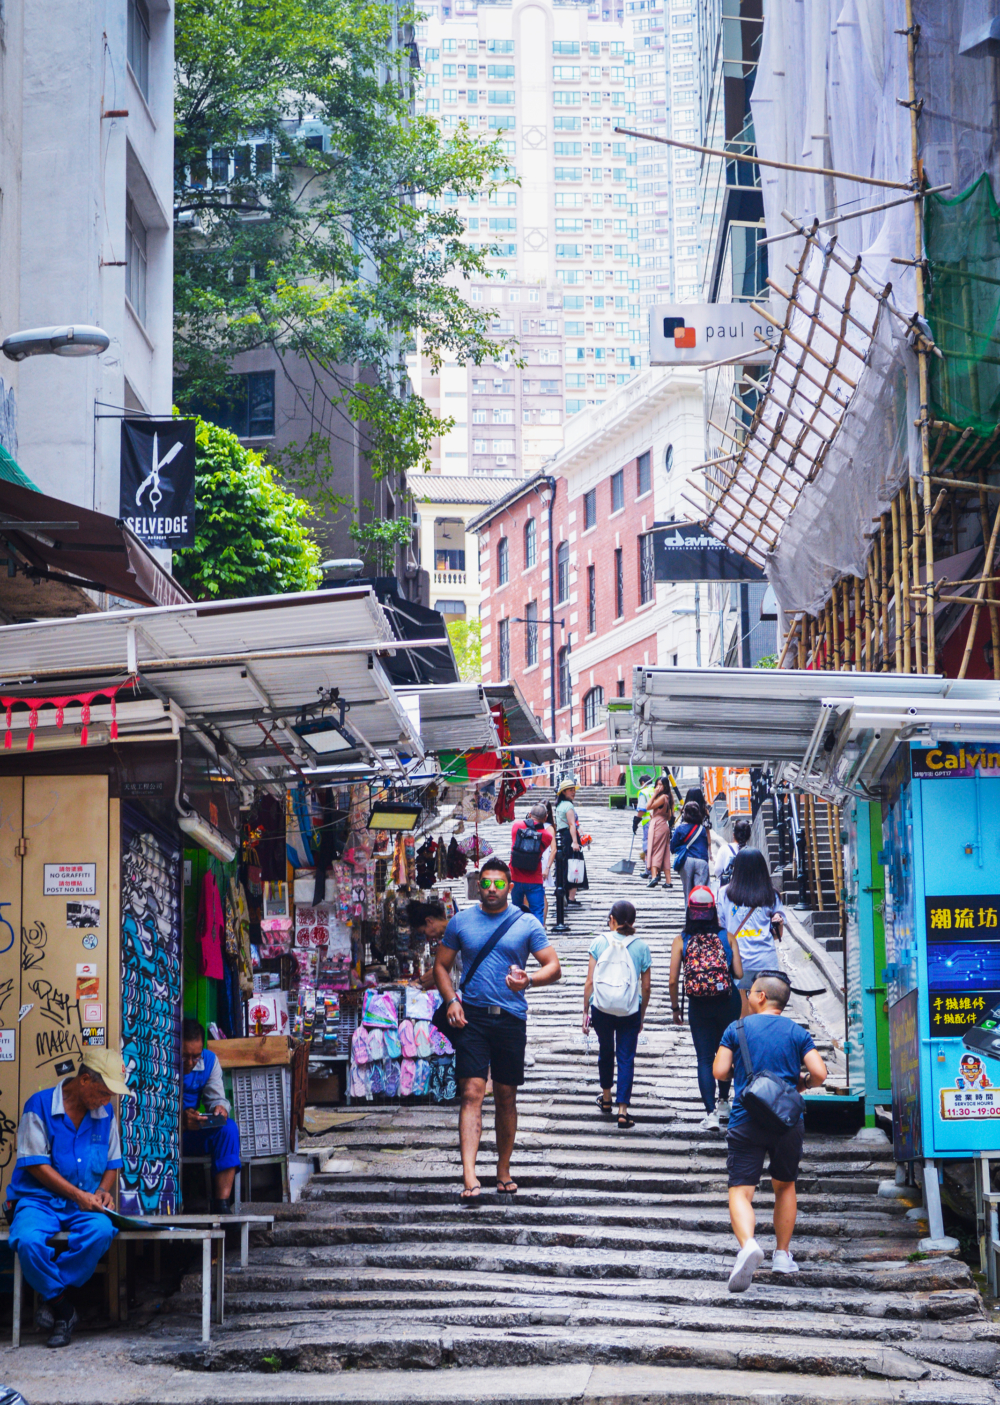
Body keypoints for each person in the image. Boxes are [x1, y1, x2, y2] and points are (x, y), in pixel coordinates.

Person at [435, 856, 561, 1201]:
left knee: (506, 1095)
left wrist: (529, 981)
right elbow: (441, 967)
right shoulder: (461, 922)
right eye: (485, 883)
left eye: (498, 883)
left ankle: (503, 1168)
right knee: (472, 1092)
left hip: (510, 1019)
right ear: (478, 886)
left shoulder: (526, 923)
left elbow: (554, 967)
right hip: (471, 1017)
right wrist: (451, 1001)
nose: (491, 889)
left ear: (509, 886)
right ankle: (470, 1174)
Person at [6, 1048, 132, 1347]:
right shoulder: (38, 1106)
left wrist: (103, 1191)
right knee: (26, 1240)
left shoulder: (105, 1113)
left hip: (83, 1203)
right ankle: (64, 1308)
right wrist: (79, 1195)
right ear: (85, 1080)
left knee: (101, 1231)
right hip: (38, 1200)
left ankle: (53, 1298)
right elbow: (36, 1165)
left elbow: (113, 1163)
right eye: (103, 1093)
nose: (107, 1100)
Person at [713, 972, 828, 1291]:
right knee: (785, 1185)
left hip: (746, 1117)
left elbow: (720, 1071)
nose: (746, 995)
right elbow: (819, 1073)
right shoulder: (796, 1031)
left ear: (761, 996)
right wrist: (801, 1084)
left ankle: (748, 1244)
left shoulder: (737, 1029)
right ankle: (782, 1254)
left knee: (741, 1189)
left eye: (750, 992)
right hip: (786, 1120)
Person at [669, 886, 740, 1130]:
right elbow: (739, 973)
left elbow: (672, 980)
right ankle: (723, 1103)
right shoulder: (727, 936)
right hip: (727, 1002)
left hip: (698, 1005)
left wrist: (676, 1008)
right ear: (712, 911)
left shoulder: (681, 940)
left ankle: (710, 1113)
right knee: (726, 1052)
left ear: (690, 911)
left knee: (704, 1058)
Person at [583, 900, 650, 1129]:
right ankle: (623, 1110)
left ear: (611, 919)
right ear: (633, 921)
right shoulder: (641, 947)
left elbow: (590, 981)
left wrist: (585, 1010)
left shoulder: (599, 942)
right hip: (629, 1010)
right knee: (626, 1056)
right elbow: (647, 987)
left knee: (605, 1049)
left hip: (601, 1008)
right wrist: (641, 1015)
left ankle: (606, 1097)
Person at [182, 1018, 241, 1213]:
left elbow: (217, 1098)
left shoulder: (209, 1061)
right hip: (164, 1133)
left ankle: (221, 1205)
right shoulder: (161, 1060)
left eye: (195, 1056)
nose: (190, 1062)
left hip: (191, 1134)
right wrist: (179, 1120)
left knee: (228, 1129)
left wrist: (219, 1109)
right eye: (185, 1056)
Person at [721, 848, 786, 1016]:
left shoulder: (724, 894)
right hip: (764, 960)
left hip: (737, 960)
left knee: (741, 1014)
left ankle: (744, 1040)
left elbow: (720, 928)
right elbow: (779, 934)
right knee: (764, 1010)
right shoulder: (771, 895)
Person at [509, 802, 556, 922]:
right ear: (545, 818)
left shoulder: (516, 826)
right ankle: (537, 938)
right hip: (534, 879)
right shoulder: (546, 835)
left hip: (515, 877)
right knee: (537, 911)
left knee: (516, 911)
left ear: (529, 814)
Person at [406, 898, 454, 989]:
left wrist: (417, 983)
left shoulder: (455, 930)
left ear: (429, 921)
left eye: (424, 932)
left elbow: (441, 970)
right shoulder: (449, 935)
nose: (427, 937)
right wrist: (416, 984)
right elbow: (441, 970)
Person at [670, 799, 712, 899]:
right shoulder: (702, 829)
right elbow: (705, 845)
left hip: (686, 861)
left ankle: (689, 913)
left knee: (688, 892)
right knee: (700, 893)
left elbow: (672, 847)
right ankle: (700, 913)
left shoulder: (680, 828)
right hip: (701, 860)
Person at [555, 776, 584, 904]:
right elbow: (572, 824)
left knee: (564, 865)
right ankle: (571, 897)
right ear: (563, 792)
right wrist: (575, 841)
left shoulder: (560, 805)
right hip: (568, 837)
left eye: (574, 789)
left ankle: (565, 893)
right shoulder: (568, 806)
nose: (573, 792)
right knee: (574, 864)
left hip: (561, 837)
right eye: (570, 790)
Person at [645, 777, 674, 888]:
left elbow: (648, 806)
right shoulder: (669, 797)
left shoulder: (662, 797)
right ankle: (668, 881)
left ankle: (654, 876)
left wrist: (654, 794)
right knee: (665, 852)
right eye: (657, 784)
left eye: (661, 785)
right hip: (664, 824)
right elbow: (670, 815)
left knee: (654, 850)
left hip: (657, 825)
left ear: (665, 786)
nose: (658, 787)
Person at [715, 818, 752, 887]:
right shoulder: (752, 852)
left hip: (729, 888)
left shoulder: (724, 849)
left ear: (733, 834)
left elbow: (717, 870)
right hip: (747, 889)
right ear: (749, 836)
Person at [633, 774, 654, 877]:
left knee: (648, 847)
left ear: (642, 783)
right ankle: (656, 871)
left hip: (648, 823)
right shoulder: (657, 790)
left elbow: (642, 809)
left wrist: (636, 820)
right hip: (660, 822)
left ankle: (649, 870)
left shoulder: (643, 792)